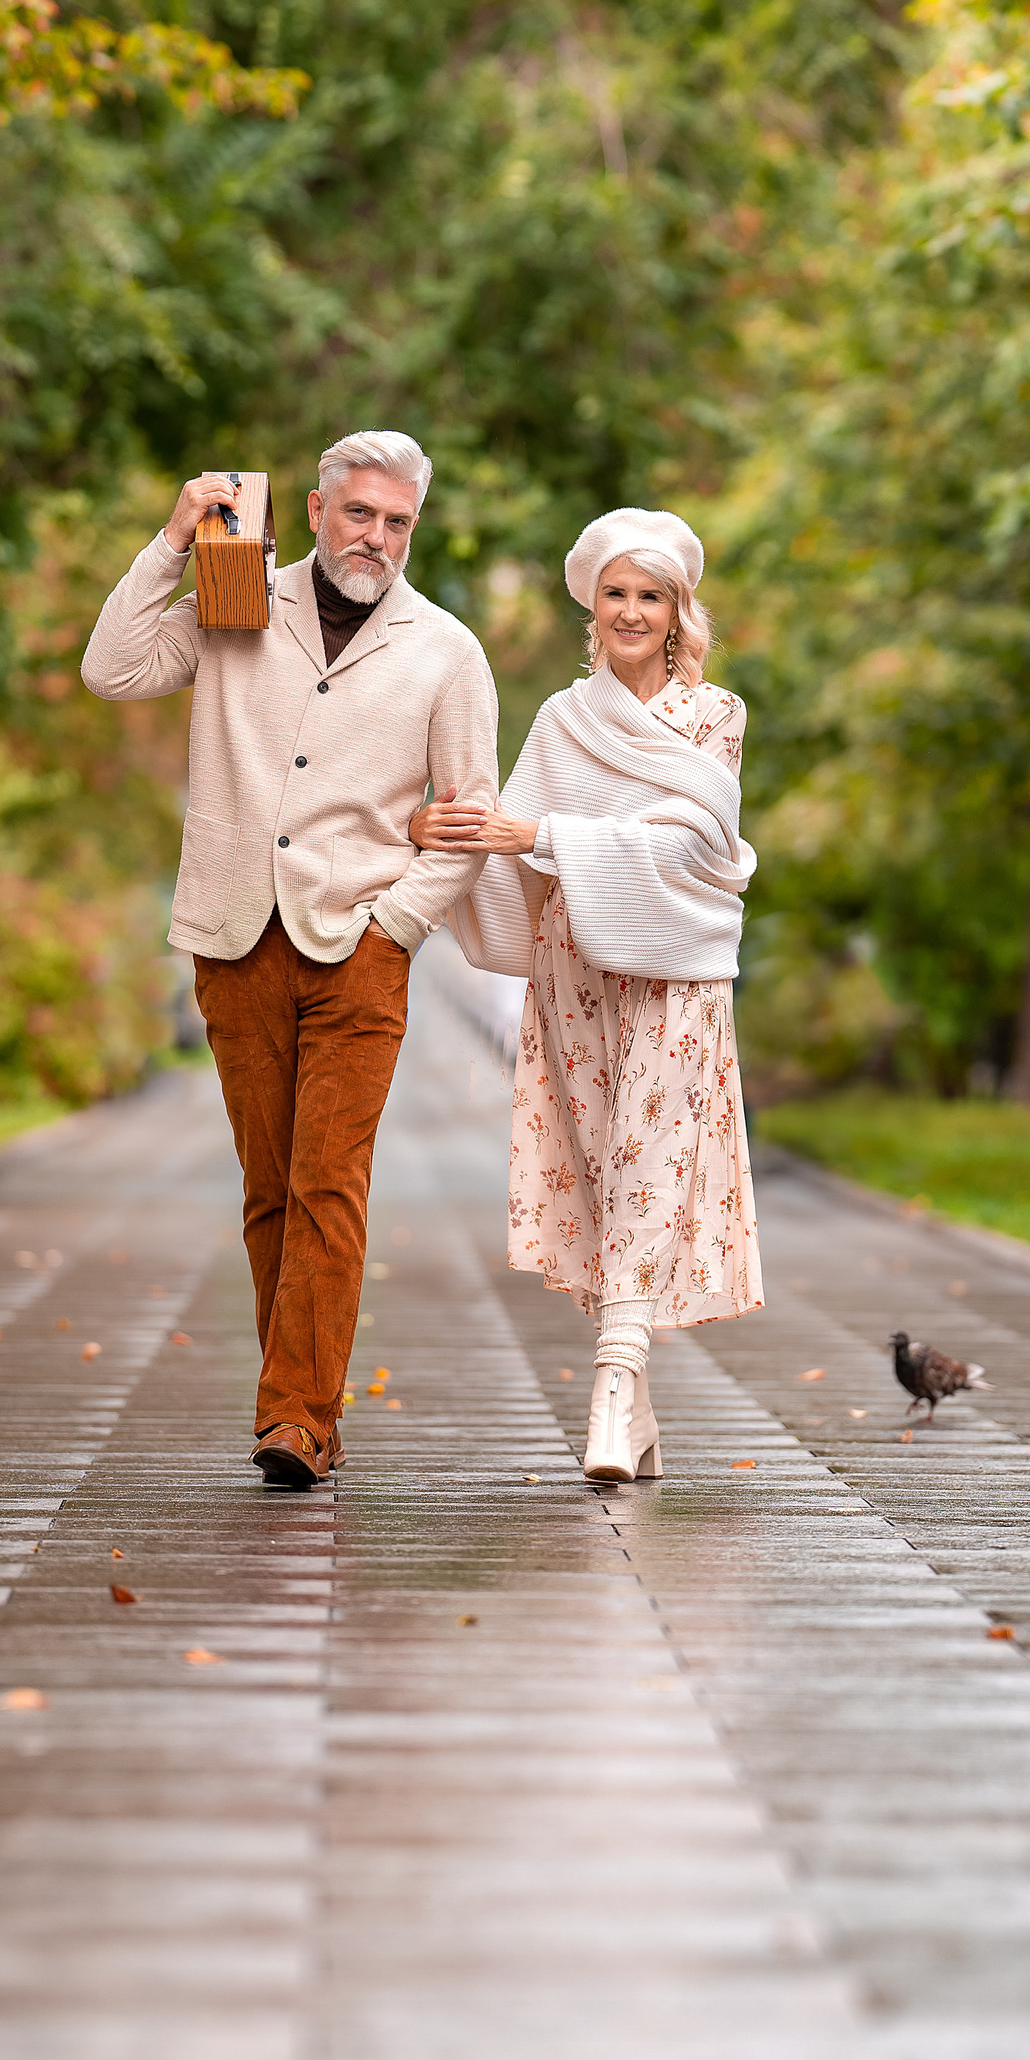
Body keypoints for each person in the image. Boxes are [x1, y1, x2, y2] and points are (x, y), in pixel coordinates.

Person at [82, 433, 499, 1488]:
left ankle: (296, 1420)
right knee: (268, 1187)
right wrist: (176, 539)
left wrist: (397, 923)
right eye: (360, 513)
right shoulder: (236, 598)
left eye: (398, 521)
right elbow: (112, 666)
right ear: (314, 510)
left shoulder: (444, 649)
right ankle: (303, 1405)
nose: (378, 538)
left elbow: (470, 816)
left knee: (327, 1183)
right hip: (234, 936)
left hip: (360, 948)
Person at [415, 508, 760, 1482]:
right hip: (575, 965)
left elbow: (694, 847)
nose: (632, 611)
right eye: (616, 593)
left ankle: (611, 1384)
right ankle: (636, 1409)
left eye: (651, 595)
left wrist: (542, 839)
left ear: (678, 610)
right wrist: (453, 829)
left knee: (651, 1159)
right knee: (601, 1168)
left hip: (679, 967)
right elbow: (499, 832)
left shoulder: (712, 717)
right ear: (593, 605)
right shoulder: (564, 721)